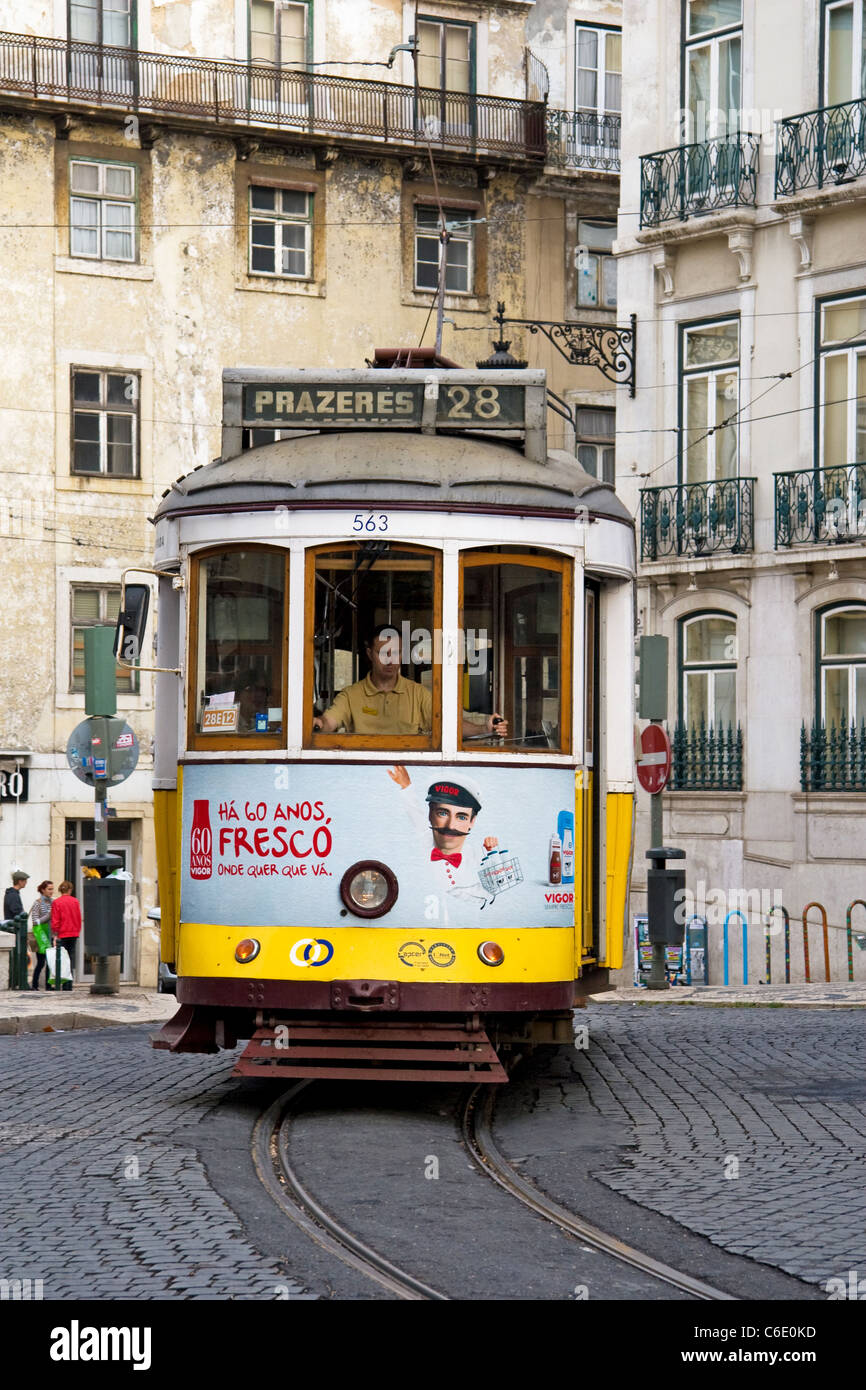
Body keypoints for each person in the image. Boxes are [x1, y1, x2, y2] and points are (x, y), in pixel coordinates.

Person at [313, 626, 508, 738]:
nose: (390, 659)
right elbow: (329, 721)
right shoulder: (350, 695)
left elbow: (447, 726)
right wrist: (317, 723)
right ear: (370, 654)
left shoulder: (418, 694)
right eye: (384, 653)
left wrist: (485, 727)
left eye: (396, 653)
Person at [388, 766, 498, 909]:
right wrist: (406, 787)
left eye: (461, 817)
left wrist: (491, 851)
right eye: (443, 813)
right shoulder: (425, 841)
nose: (450, 825)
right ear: (430, 815)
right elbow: (415, 813)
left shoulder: (474, 852)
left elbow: (495, 877)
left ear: (472, 821)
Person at [50, 881, 82, 991]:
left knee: (61, 959)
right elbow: (78, 917)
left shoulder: (57, 902)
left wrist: (55, 934)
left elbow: (55, 920)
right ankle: (69, 984)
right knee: (70, 958)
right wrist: (77, 930)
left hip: (62, 934)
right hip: (73, 933)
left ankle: (62, 983)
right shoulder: (75, 901)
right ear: (70, 890)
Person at [29, 880, 54, 991]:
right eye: (49, 889)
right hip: (41, 936)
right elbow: (35, 921)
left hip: (51, 935)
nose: (51, 891)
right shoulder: (37, 903)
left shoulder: (53, 902)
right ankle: (35, 985)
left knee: (50, 962)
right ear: (43, 890)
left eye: (52, 889)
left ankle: (48, 985)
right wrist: (48, 916)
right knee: (41, 962)